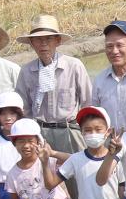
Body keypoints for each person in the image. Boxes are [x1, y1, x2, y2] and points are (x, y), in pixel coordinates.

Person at [14, 15, 90, 155]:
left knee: (75, 173)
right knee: (44, 174)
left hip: (69, 131)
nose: (43, 44)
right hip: (40, 135)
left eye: (48, 38)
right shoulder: (26, 71)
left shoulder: (74, 66)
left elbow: (87, 103)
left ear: (58, 41)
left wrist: (86, 132)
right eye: (38, 39)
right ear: (31, 42)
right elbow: (23, 109)